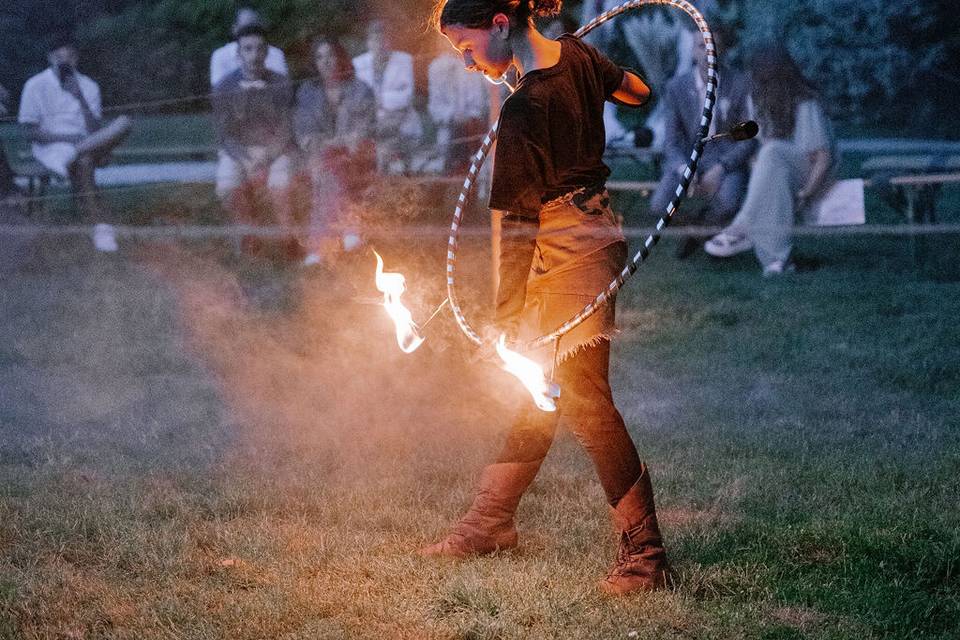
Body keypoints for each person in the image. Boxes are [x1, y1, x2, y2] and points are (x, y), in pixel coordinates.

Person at [421, 0, 670, 596]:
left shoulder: (525, 108)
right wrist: (577, 66)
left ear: (500, 24)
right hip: (594, 226)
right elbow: (638, 93)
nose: (467, 60)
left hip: (568, 245)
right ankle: (490, 522)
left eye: (467, 46)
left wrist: (503, 318)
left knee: (584, 395)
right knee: (544, 387)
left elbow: (518, 224)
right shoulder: (578, 55)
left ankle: (647, 559)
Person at [704, 46, 836, 276]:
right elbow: (762, 155)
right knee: (772, 189)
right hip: (780, 170)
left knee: (773, 151)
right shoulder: (761, 104)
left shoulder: (805, 103)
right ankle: (776, 262)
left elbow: (822, 159)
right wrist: (760, 183)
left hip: (815, 174)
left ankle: (742, 226)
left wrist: (806, 193)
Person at [650, 27, 756, 258]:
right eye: (702, 46)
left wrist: (722, 167)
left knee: (728, 202)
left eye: (714, 46)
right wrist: (685, 170)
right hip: (688, 160)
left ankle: (705, 231)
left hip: (724, 159)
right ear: (693, 52)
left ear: (724, 51)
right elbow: (670, 141)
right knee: (659, 205)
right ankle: (699, 229)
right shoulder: (676, 88)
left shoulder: (740, 83)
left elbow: (749, 136)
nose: (709, 53)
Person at [18, 36, 132, 251]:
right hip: (52, 148)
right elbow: (29, 132)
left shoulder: (89, 86)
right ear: (50, 59)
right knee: (85, 162)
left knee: (124, 123)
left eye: (69, 57)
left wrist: (79, 96)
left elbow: (94, 131)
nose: (64, 62)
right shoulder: (35, 85)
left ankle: (79, 155)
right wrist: (70, 139)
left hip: (87, 141)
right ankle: (101, 228)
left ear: (76, 60)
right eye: (59, 57)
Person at [212, 23, 296, 252]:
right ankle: (249, 234)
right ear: (239, 54)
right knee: (227, 184)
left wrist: (268, 156)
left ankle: (287, 238)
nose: (254, 56)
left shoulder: (281, 83)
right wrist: (246, 159)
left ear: (267, 52)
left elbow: (287, 127)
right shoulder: (224, 87)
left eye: (259, 49)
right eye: (247, 49)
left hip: (275, 150)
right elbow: (225, 134)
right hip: (240, 151)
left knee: (281, 183)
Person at [294, 36, 377, 265]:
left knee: (333, 167)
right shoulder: (307, 92)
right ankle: (350, 228)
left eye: (330, 55)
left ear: (340, 58)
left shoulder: (360, 89)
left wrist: (341, 143)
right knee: (330, 166)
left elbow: (364, 128)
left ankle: (317, 247)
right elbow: (304, 131)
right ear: (315, 63)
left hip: (355, 154)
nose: (326, 62)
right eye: (320, 57)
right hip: (321, 156)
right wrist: (326, 145)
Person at [352, 20, 423, 174]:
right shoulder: (358, 64)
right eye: (375, 39)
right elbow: (358, 100)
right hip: (371, 125)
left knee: (392, 155)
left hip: (401, 123)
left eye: (383, 39)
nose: (379, 44)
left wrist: (380, 100)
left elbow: (407, 96)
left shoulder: (404, 60)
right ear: (368, 42)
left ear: (389, 41)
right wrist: (377, 104)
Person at [427, 37, 489, 174]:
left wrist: (471, 118)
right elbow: (434, 107)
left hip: (475, 130)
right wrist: (452, 116)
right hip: (449, 131)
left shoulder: (476, 64)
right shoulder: (437, 67)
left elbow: (483, 102)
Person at [210, 8, 288, 88]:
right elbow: (218, 89)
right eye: (244, 27)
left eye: (253, 26)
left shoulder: (276, 54)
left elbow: (283, 85)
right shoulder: (220, 55)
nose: (249, 30)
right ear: (234, 29)